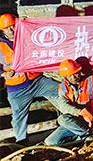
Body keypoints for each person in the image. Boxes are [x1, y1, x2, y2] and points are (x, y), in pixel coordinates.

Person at [0, 13, 61, 145]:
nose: (11, 30)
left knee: (62, 91)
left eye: (13, 26)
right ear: (2, 30)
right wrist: (3, 74)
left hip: (37, 80)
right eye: (7, 28)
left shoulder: (28, 36)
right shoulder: (0, 46)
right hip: (17, 89)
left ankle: (69, 124)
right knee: (18, 117)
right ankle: (21, 143)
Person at [44, 59, 93, 147]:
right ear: (65, 76)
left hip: (91, 119)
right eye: (69, 75)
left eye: (75, 73)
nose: (73, 77)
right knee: (50, 141)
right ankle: (85, 135)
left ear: (80, 71)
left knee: (62, 119)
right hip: (75, 122)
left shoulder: (90, 80)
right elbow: (63, 106)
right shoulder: (63, 87)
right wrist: (80, 112)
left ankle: (87, 134)